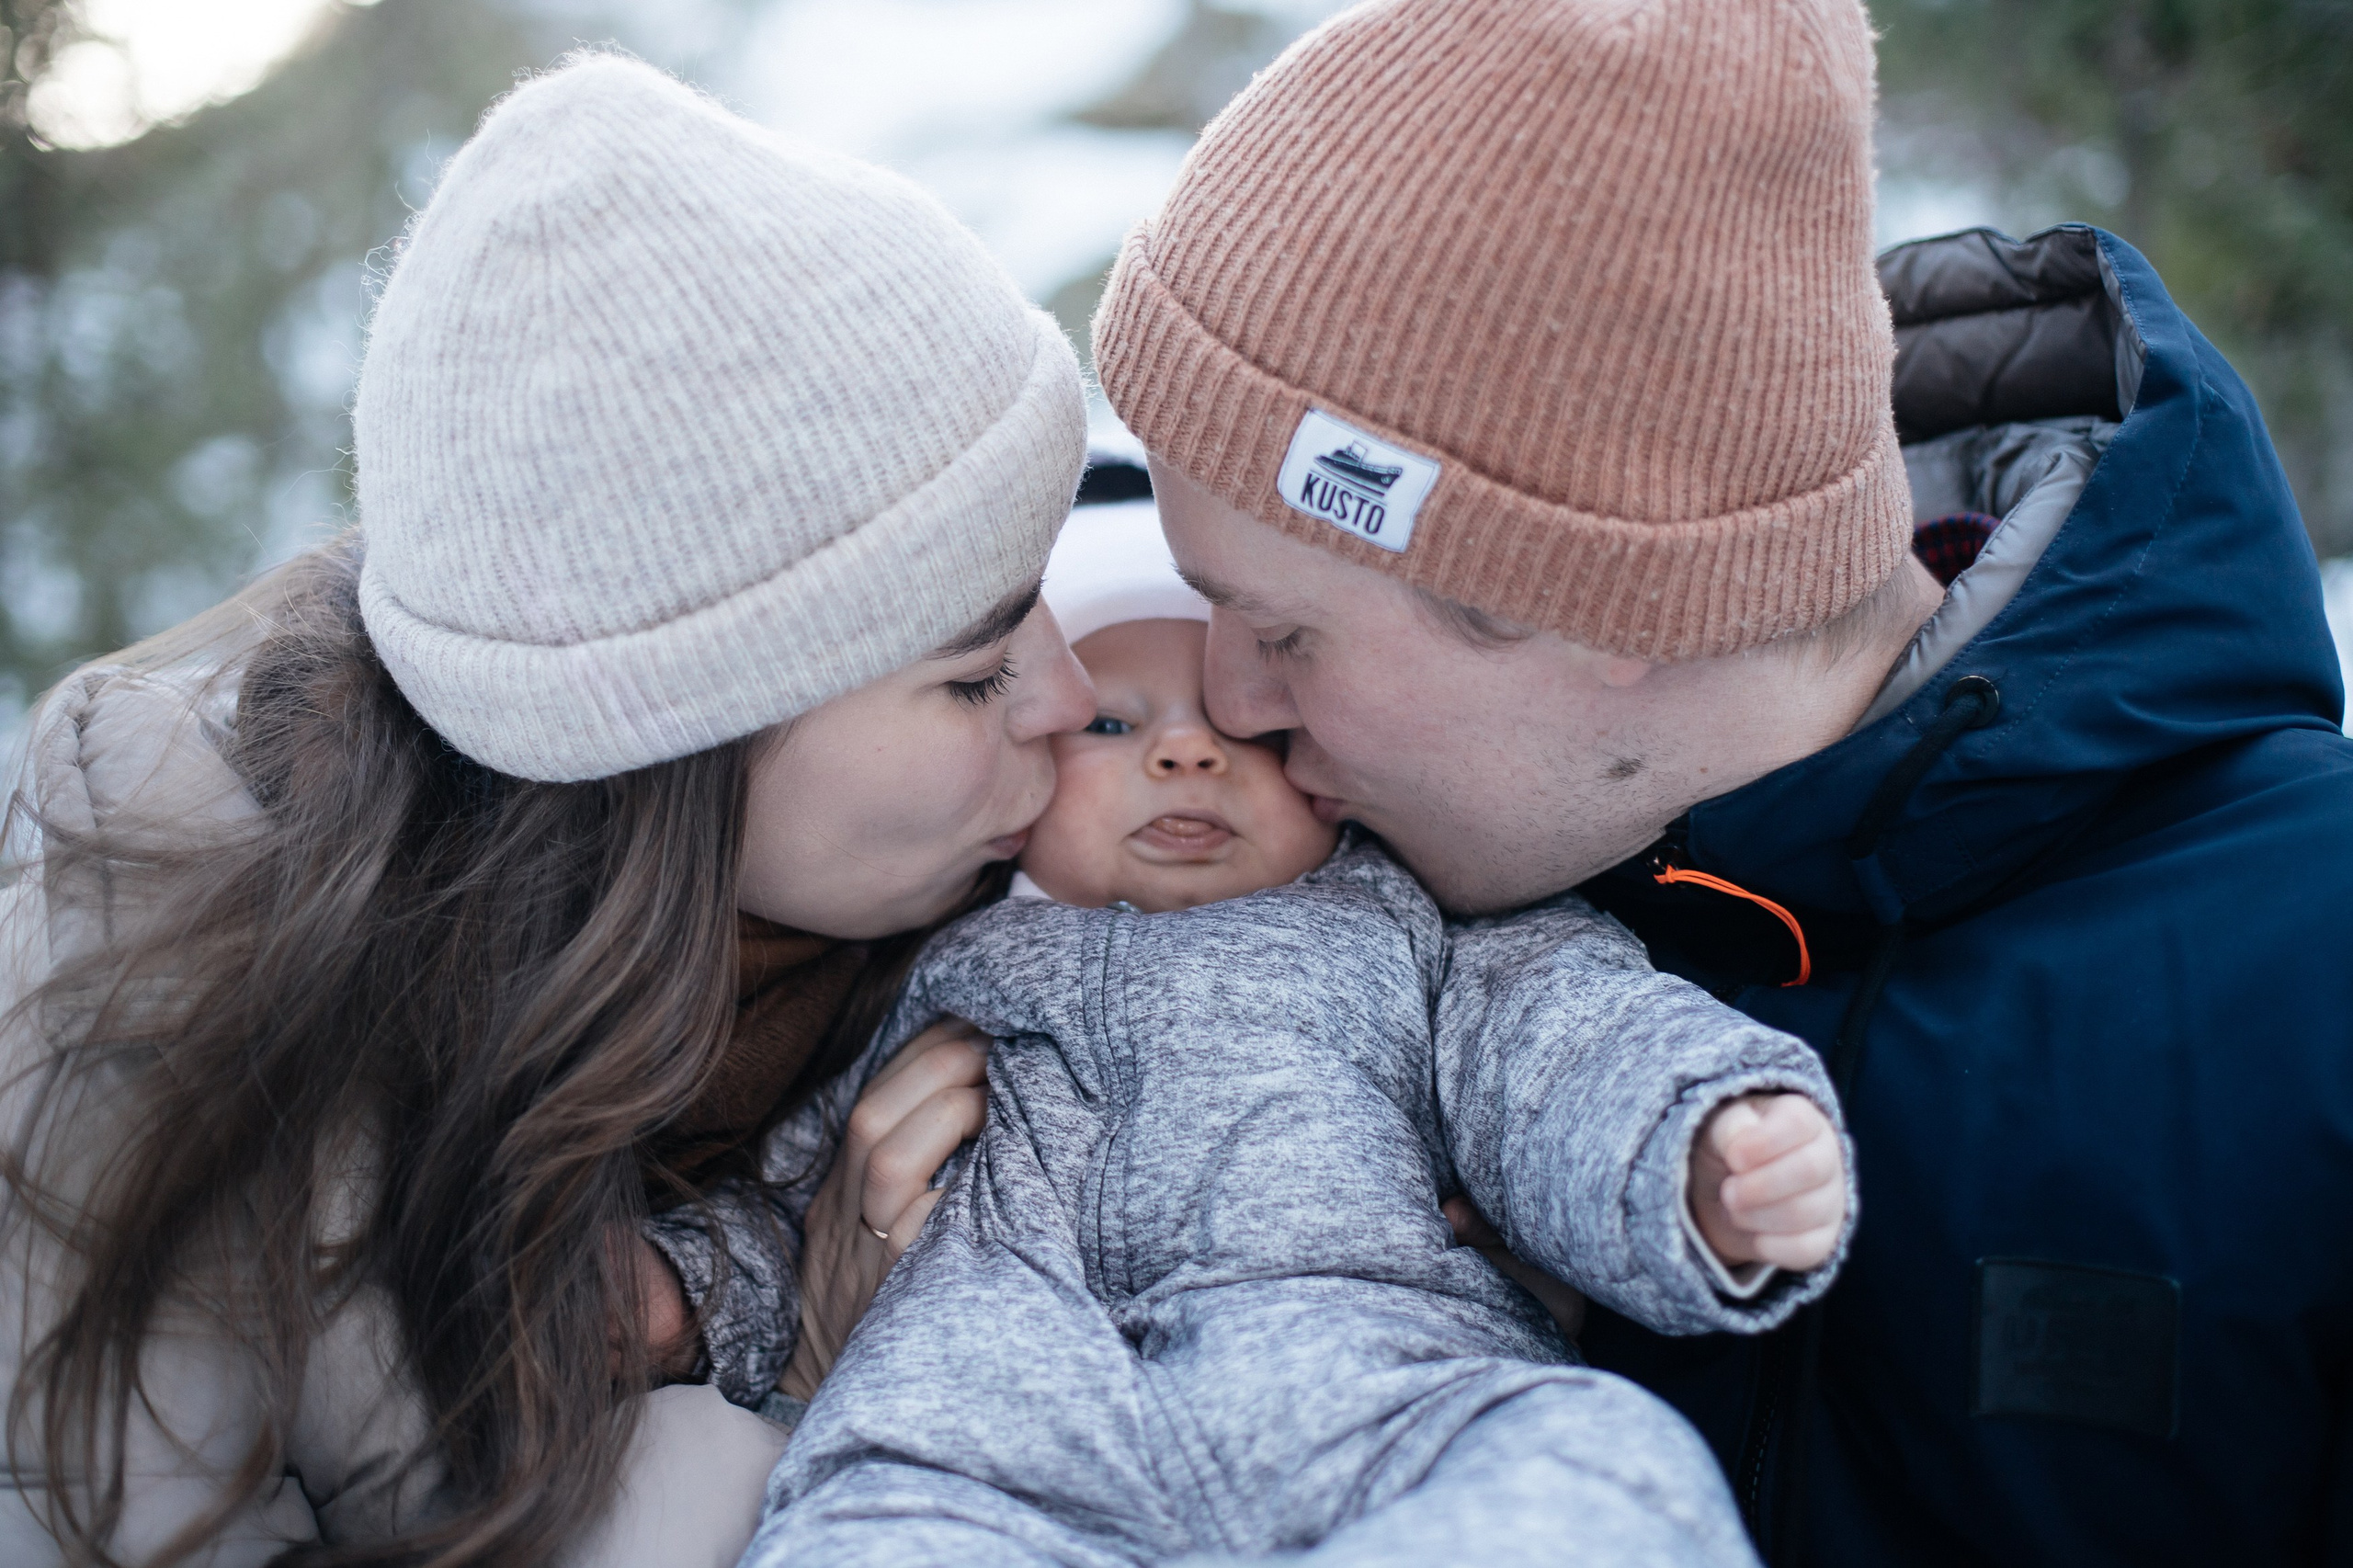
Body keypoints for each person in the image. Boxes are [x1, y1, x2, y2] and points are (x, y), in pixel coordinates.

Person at [1091, 0, 2353, 1562]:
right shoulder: (1340, 919)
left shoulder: (2316, 987)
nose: (1226, 702)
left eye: (1286, 630)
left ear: (1609, 603)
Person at [0, 55, 1091, 1568]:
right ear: (673, 761)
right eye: (978, 676)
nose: (1078, 693)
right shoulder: (168, 966)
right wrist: (834, 1387)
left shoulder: (1010, 897)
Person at [737, 508, 1855, 1567]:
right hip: (974, 1430)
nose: (1185, 753)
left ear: (1326, 780)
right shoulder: (942, 958)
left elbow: (1565, 1051)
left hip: (1371, 1386)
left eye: (1237, 734)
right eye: (1114, 724)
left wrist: (1691, 1150)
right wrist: (666, 1297)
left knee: (1605, 1467)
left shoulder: (1420, 932)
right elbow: (775, 1190)